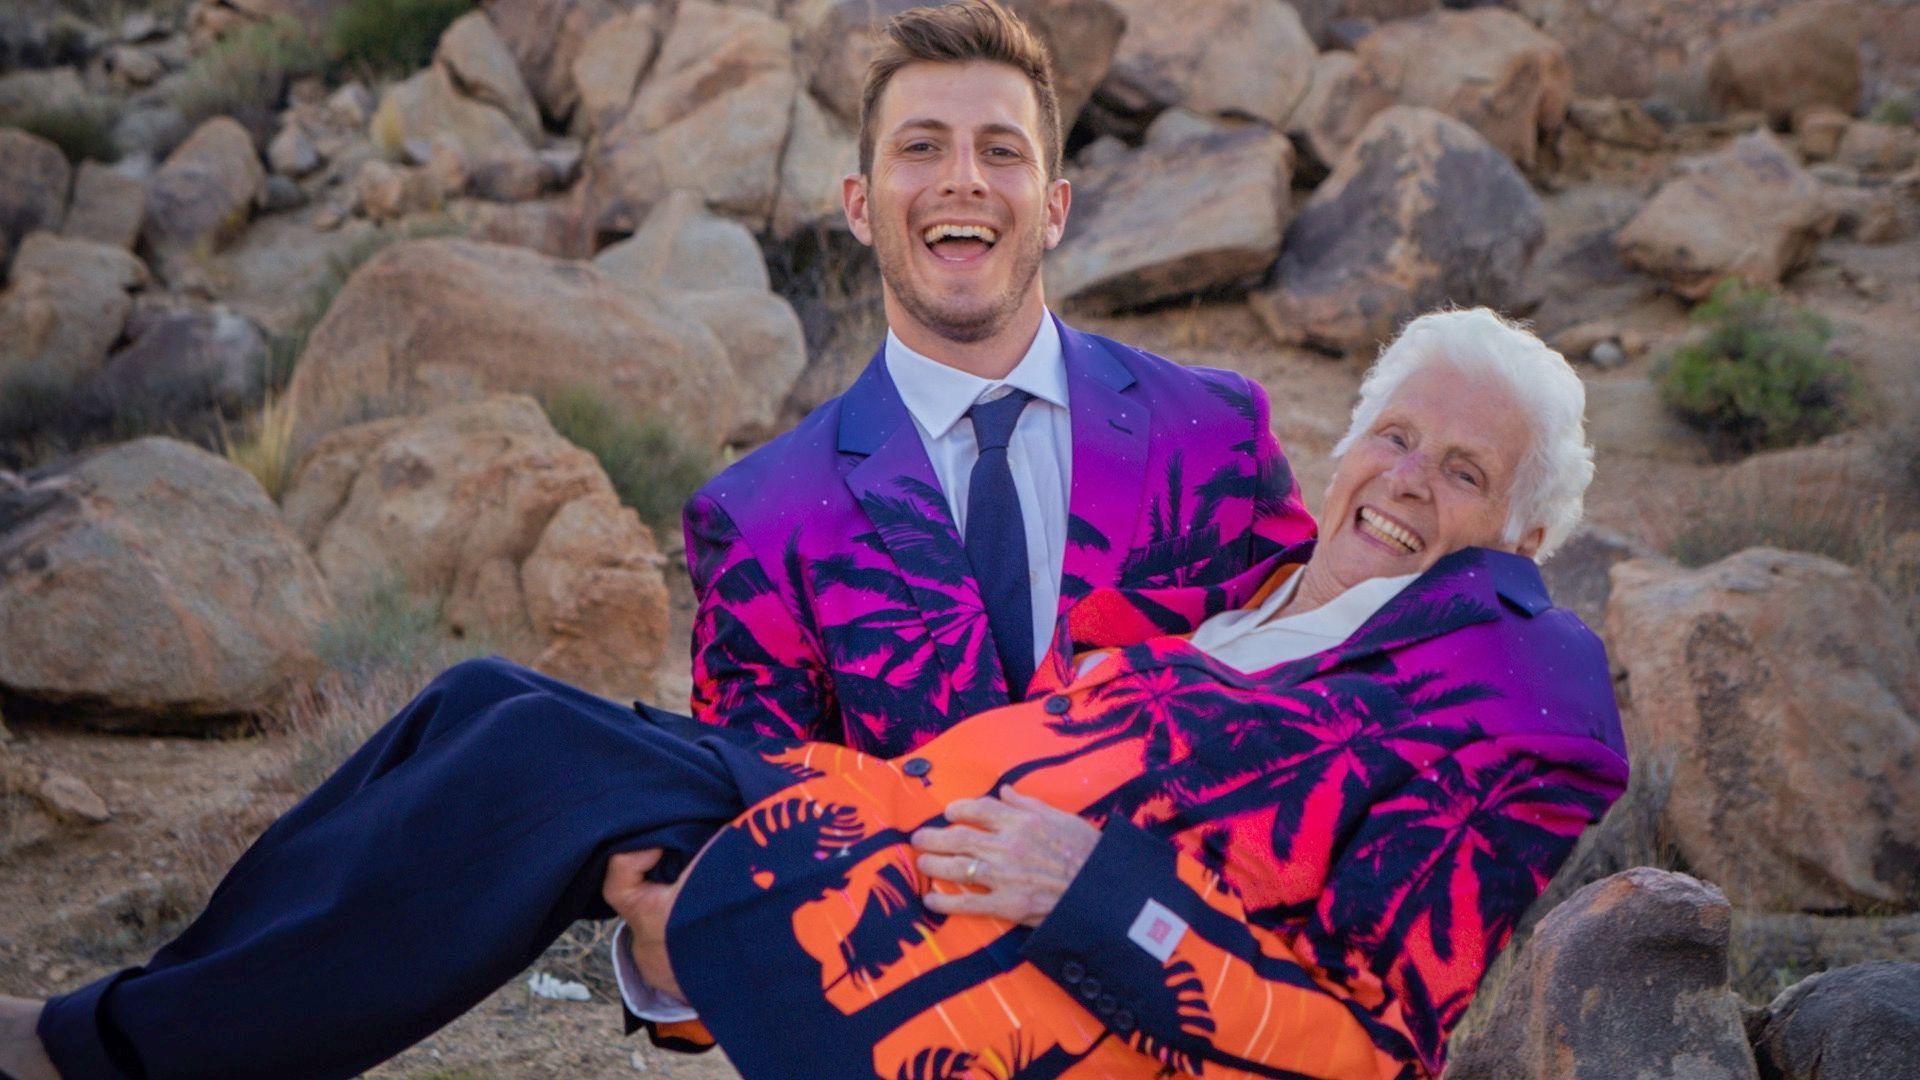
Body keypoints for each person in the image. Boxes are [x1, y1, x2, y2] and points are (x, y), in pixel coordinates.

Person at [4, 307, 1629, 1080]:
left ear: (1527, 531)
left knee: (531, 783)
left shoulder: (1508, 680)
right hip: (894, 812)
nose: (1411, 481)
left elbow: (1381, 1039)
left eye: (1466, 470)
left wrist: (1097, 893)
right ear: (1347, 440)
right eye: (1397, 435)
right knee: (488, 704)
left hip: (1002, 949)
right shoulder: (1260, 574)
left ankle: (108, 1057)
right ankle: (150, 1018)